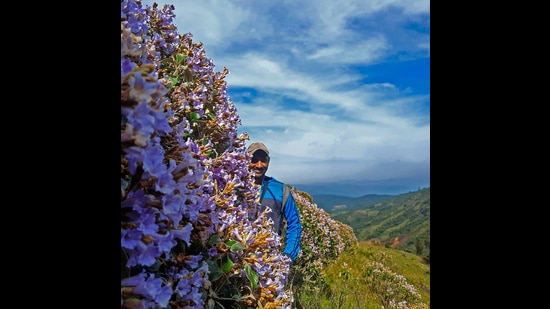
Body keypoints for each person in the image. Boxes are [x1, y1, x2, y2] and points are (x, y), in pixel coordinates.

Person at [247, 142, 302, 263]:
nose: (259, 165)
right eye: (254, 160)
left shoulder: (281, 190)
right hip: (240, 255)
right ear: (245, 160)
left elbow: (294, 224)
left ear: (269, 161)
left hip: (269, 259)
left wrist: (288, 256)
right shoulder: (236, 186)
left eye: (263, 160)